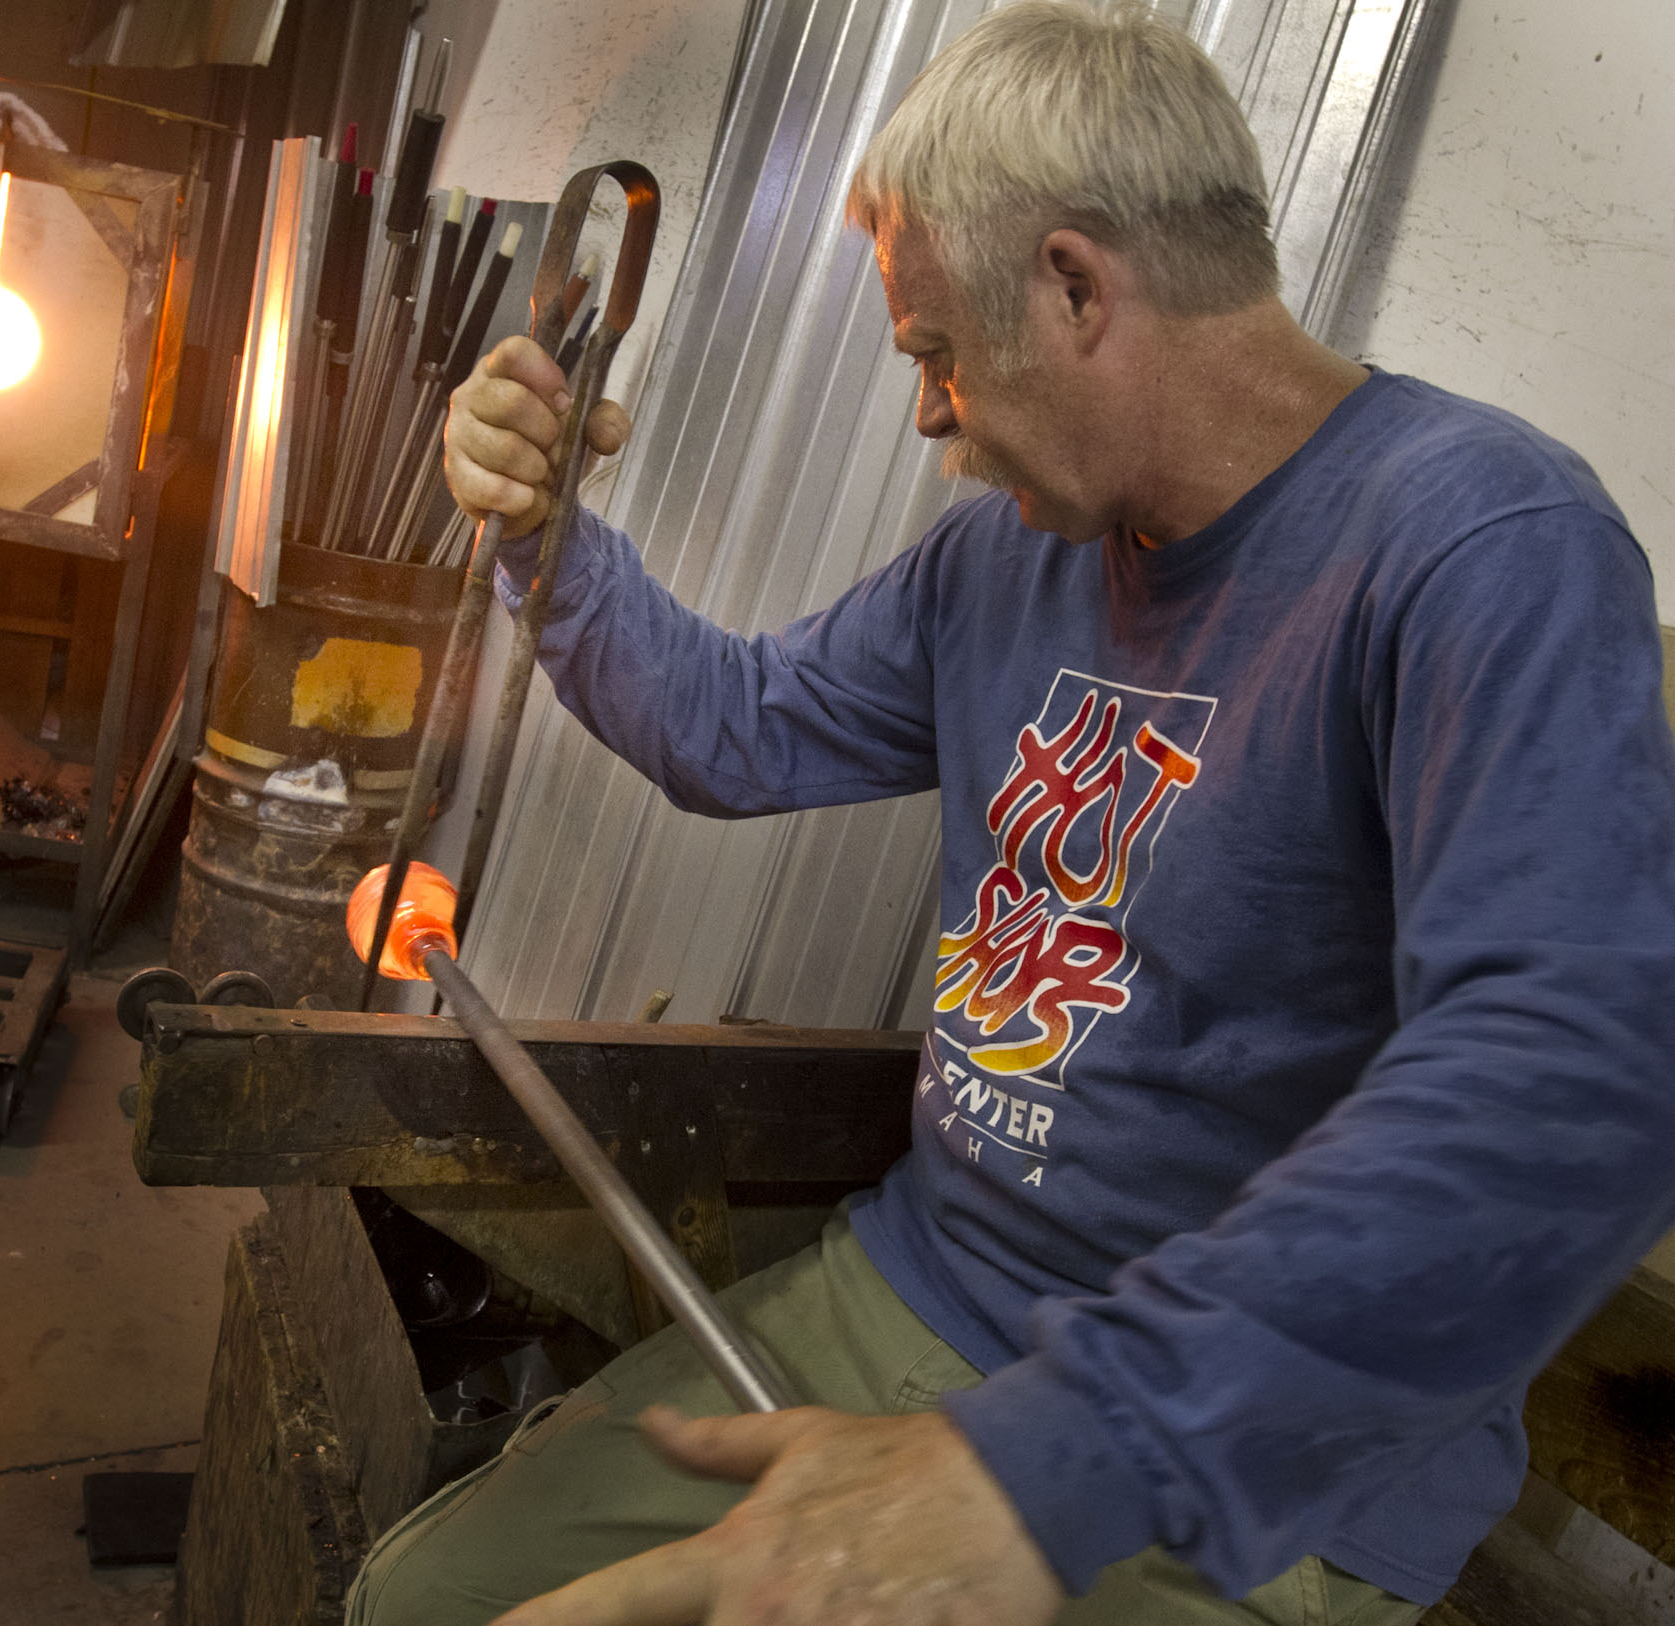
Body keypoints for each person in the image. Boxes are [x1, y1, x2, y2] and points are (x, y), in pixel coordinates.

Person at [349, 3, 1675, 1622]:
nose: (926, 414)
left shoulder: (1480, 542)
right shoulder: (1006, 560)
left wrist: (1042, 1458)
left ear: (1073, 285)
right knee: (425, 1603)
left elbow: (1573, 1076)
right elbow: (737, 731)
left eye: (932, 351)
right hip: (935, 1289)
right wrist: (547, 539)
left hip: (1260, 1447)